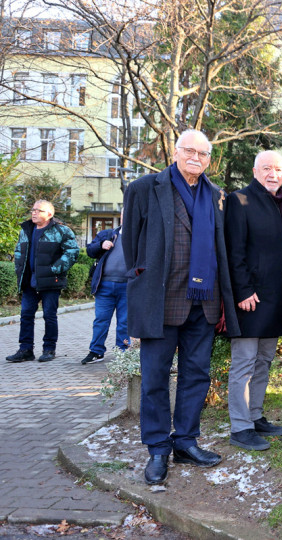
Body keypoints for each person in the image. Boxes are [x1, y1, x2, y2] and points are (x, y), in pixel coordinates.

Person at [123, 130, 240, 485]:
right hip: (160, 302)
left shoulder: (217, 195)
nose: (196, 157)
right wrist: (142, 277)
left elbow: (221, 248)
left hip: (203, 305)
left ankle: (186, 442)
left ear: (209, 159)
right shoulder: (146, 188)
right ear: (175, 152)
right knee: (155, 380)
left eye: (203, 153)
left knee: (196, 376)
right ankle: (158, 449)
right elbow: (131, 244)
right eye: (189, 150)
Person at [224, 150, 282, 452]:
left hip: (275, 299)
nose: (272, 174)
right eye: (266, 168)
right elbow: (234, 250)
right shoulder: (239, 201)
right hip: (250, 299)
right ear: (255, 171)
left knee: (264, 361)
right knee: (244, 363)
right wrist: (242, 291)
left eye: (278, 169)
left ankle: (255, 416)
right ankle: (240, 427)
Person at [7, 200, 78, 363]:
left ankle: (49, 349)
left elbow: (72, 251)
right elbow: (19, 251)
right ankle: (25, 349)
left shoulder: (61, 231)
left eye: (38, 210)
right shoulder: (26, 230)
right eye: (33, 210)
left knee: (49, 316)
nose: (34, 212)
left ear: (49, 214)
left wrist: (55, 269)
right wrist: (19, 268)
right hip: (29, 281)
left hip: (50, 281)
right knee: (25, 315)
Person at [82, 218, 128, 365]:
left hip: (128, 286)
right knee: (101, 320)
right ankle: (96, 351)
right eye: (124, 213)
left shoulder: (140, 236)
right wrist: (101, 245)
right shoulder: (108, 234)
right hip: (105, 285)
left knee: (124, 322)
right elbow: (90, 250)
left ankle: (122, 353)